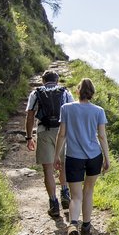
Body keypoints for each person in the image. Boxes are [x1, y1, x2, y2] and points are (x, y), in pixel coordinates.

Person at [53, 77, 110, 235]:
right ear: (92, 93)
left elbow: (62, 134)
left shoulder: (66, 108)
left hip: (73, 157)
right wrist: (107, 158)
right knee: (88, 191)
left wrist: (56, 155)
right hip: (94, 156)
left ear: (78, 91)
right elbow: (102, 136)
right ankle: (86, 228)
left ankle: (73, 226)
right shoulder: (98, 111)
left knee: (76, 196)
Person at [25, 70, 72, 217]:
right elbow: (72, 113)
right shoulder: (65, 92)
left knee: (48, 169)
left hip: (44, 131)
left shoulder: (36, 93)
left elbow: (30, 116)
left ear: (43, 80)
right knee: (63, 165)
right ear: (57, 80)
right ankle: (65, 192)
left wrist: (29, 137)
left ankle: (53, 204)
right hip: (63, 132)